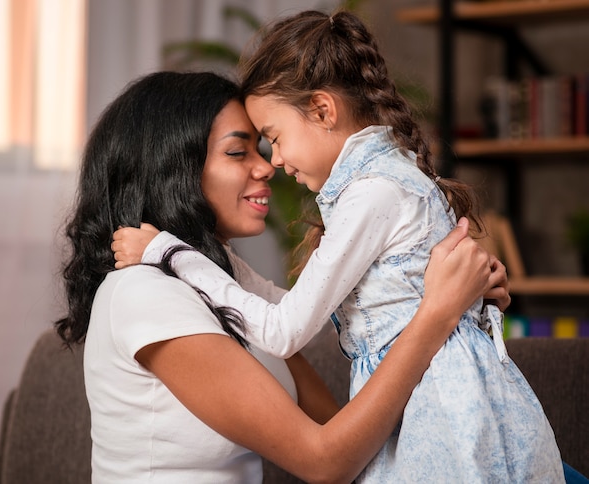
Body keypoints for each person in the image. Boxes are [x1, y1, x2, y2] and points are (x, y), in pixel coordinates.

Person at [112, 10, 566, 483]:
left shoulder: (372, 194)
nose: (276, 162)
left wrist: (171, 253)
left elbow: (283, 330)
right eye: (244, 150)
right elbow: (294, 312)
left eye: (274, 139)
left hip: (440, 408)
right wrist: (203, 261)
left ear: (324, 111)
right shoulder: (384, 183)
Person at [55, 70, 503, 484]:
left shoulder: (237, 296)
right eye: (237, 151)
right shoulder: (143, 293)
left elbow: (353, 438)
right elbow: (325, 460)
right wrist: (436, 315)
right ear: (172, 171)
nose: (267, 166)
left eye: (262, 147)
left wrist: (462, 297)